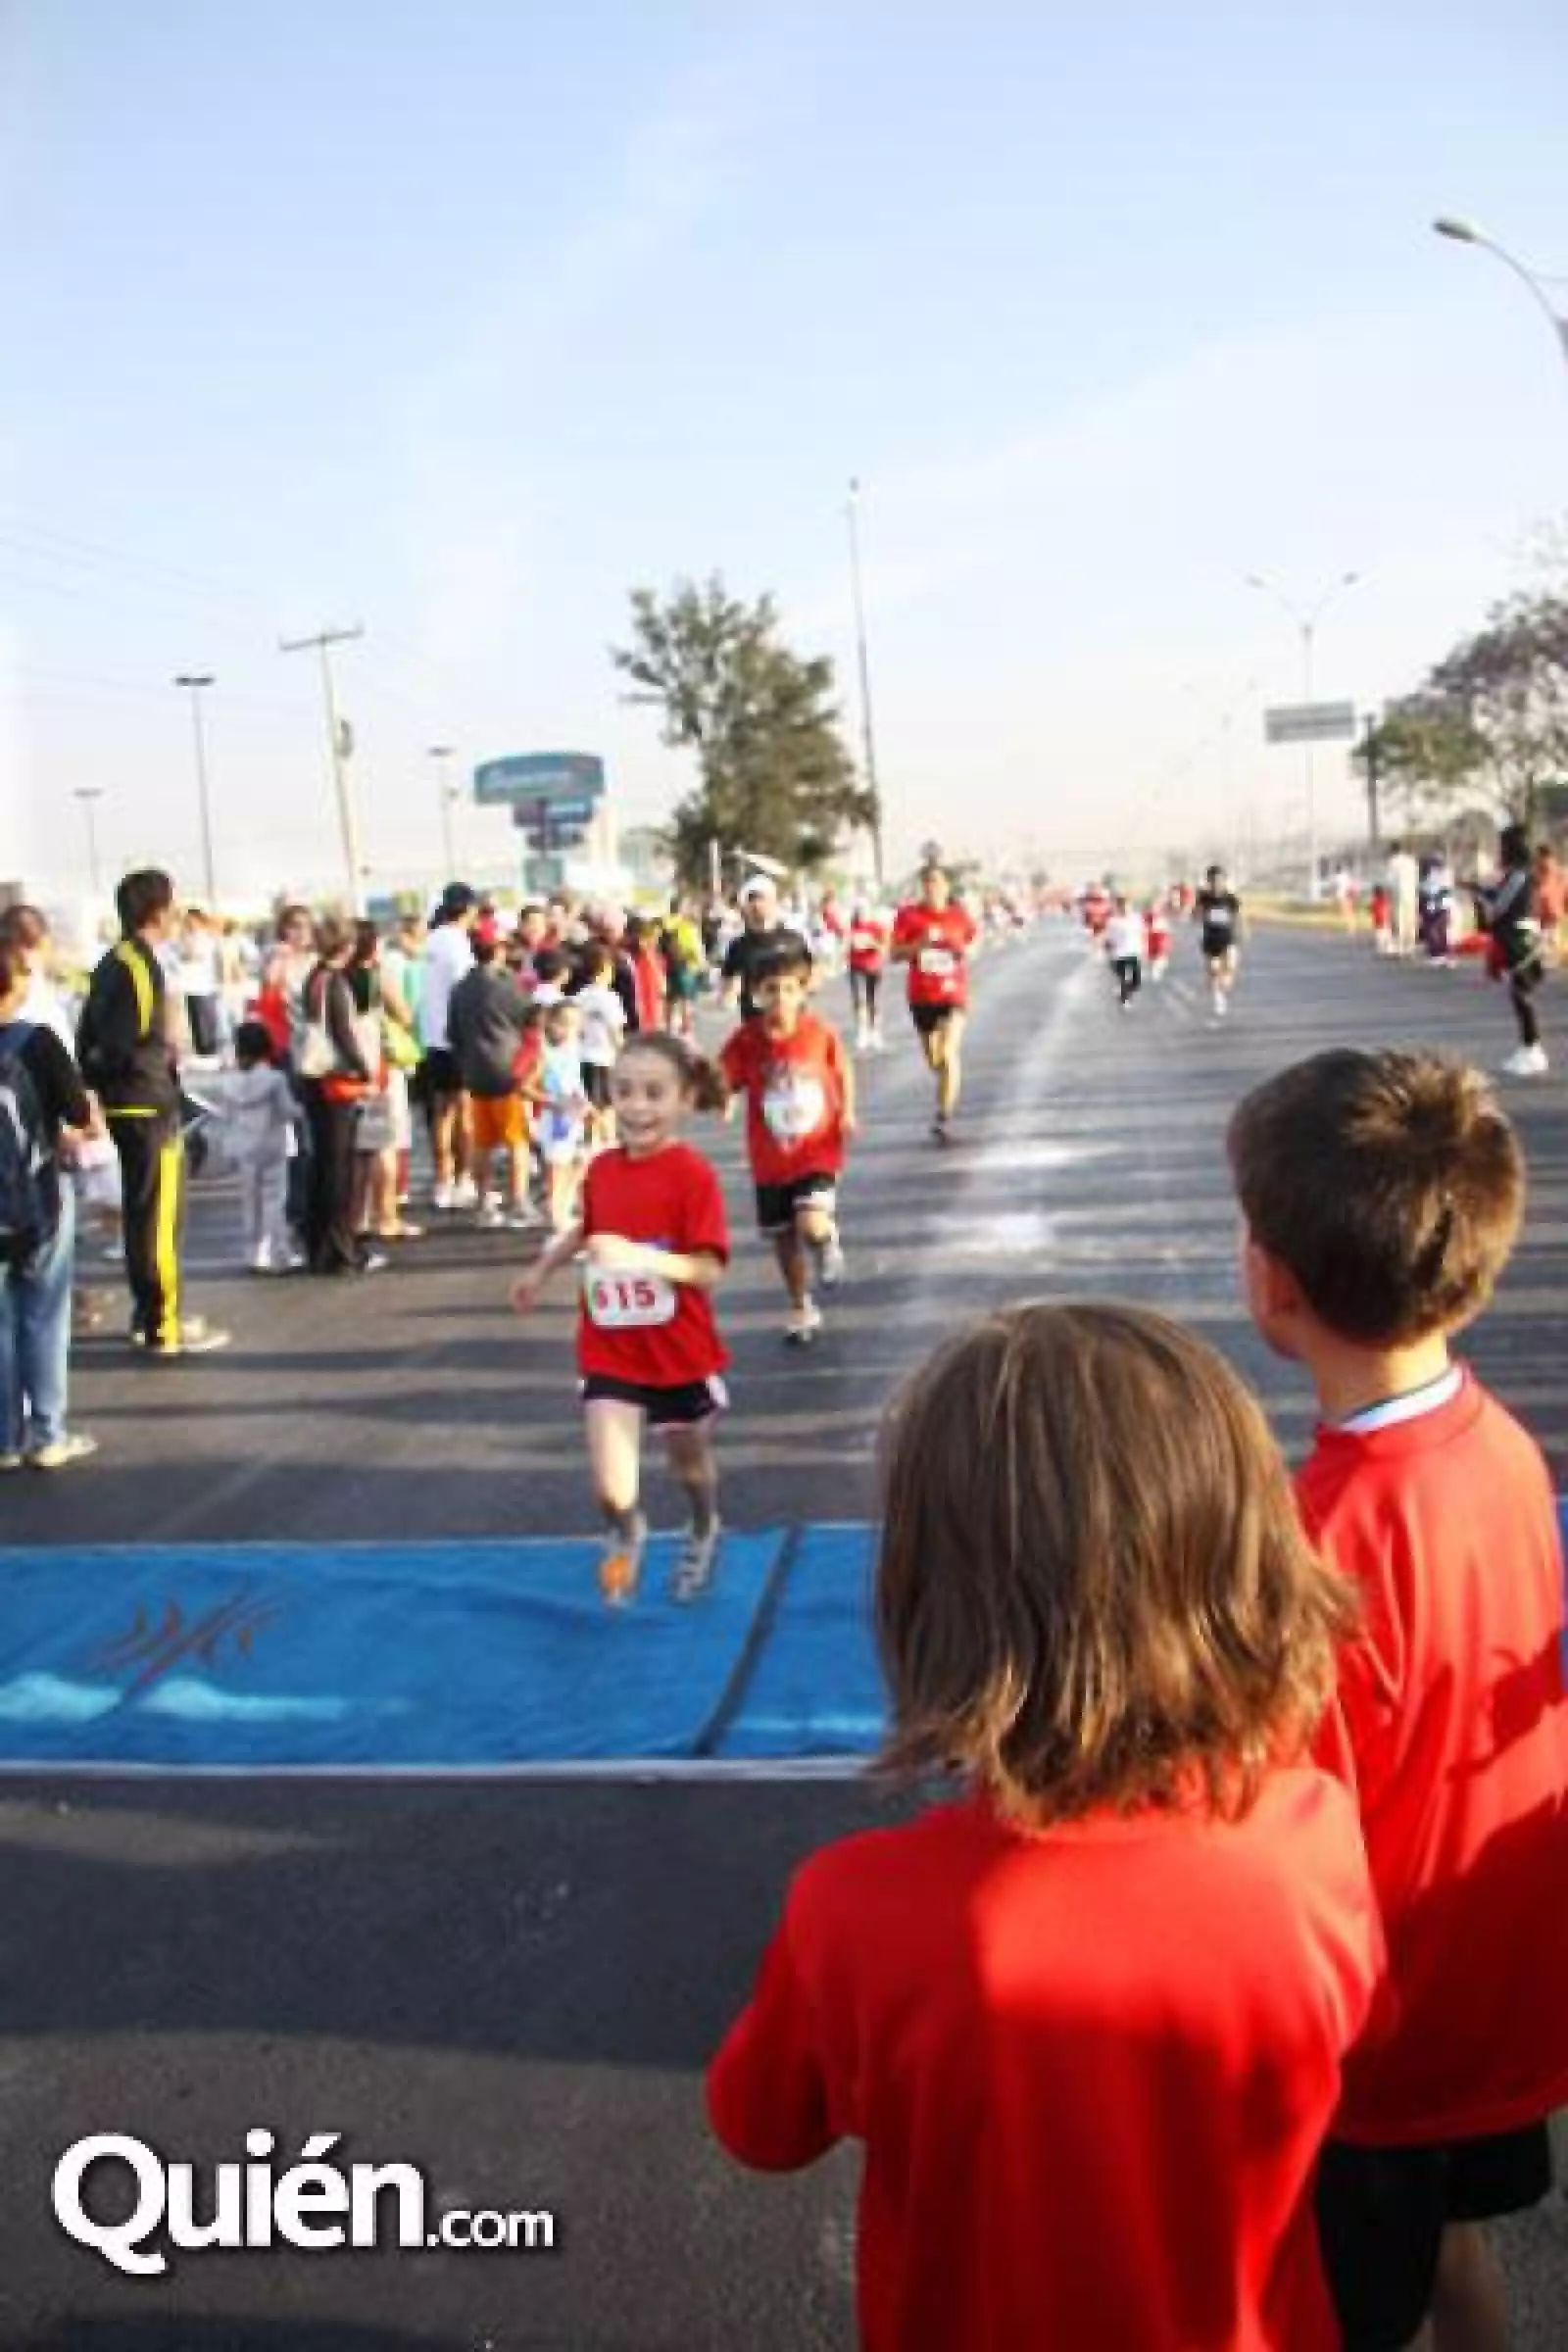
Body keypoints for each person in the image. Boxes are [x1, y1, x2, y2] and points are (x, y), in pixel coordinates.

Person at [708, 1301, 1382, 2352]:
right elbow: (1346, 2036)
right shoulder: (1314, 1834)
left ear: (932, 1599)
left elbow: (759, 2126)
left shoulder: (858, 1908)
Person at [1228, 1049, 1568, 2352]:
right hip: (1501, 1979)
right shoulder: (1501, 1443)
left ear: (1275, 1278)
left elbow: (1282, 1825)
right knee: (1454, 2248)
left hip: (1383, 2038)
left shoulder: (1311, 1539)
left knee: (1343, 2303)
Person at [511, 1032, 729, 1606]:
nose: (637, 1106)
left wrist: (643, 1257)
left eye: (654, 1093)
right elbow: (589, 1227)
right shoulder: (603, 1169)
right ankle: (627, 1527)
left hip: (679, 1352)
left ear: (683, 1099)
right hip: (610, 1348)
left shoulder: (693, 1176)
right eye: (624, 1091)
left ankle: (704, 1526)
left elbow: (708, 1270)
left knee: (690, 1463)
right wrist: (542, 1269)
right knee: (612, 1482)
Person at [76, 869, 229, 1356]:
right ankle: (165, 1322)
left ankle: (150, 1313)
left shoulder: (110, 961)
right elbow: (123, 1042)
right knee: (161, 1217)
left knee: (143, 1214)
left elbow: (88, 1040)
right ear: (159, 912)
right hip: (147, 1104)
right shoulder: (140, 965)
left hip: (131, 1102)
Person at [719, 943, 855, 1348]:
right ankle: (800, 1304)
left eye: (789, 989)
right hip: (771, 1155)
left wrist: (847, 1112)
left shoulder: (819, 1033)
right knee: (783, 1239)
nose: (780, 999)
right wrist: (723, 1096)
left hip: (816, 1147)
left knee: (810, 1224)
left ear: (803, 991)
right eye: (771, 990)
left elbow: (842, 1070)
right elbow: (726, 1075)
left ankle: (826, 1241)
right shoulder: (746, 1040)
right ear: (756, 994)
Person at [0, 937, 102, 1468]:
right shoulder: (34, 1041)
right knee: (42, 1314)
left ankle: (4, 1438)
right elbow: (82, 1116)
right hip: (37, 1197)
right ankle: (47, 1434)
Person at [295, 915, 384, 1277]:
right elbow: (342, 1032)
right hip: (336, 1082)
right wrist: (364, 1068)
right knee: (338, 1170)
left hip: (315, 1083)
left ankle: (319, 1246)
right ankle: (341, 1249)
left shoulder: (313, 978)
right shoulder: (333, 982)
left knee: (323, 1166)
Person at [447, 919, 536, 1230]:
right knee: (516, 1141)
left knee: (483, 1141)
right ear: (498, 949)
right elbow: (529, 1023)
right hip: (508, 1071)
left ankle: (485, 1202)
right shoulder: (509, 985)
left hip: (475, 1071)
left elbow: (453, 1033)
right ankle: (520, 1201)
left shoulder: (461, 988)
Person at [891, 864, 977, 1142]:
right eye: (927, 883)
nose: (933, 888)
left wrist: (961, 950)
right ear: (922, 887)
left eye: (937, 882)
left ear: (946, 887)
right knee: (935, 1060)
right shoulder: (909, 916)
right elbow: (894, 954)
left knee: (950, 1052)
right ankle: (946, 1088)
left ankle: (943, 1116)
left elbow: (973, 943)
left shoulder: (959, 916)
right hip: (921, 996)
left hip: (953, 995)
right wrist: (920, 945)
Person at [223, 1020, 302, 1274]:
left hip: (244, 1146)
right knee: (274, 1200)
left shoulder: (230, 1083)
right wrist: (304, 1111)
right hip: (273, 1144)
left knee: (250, 1202)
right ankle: (279, 1253)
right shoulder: (275, 1079)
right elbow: (288, 1110)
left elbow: (228, 1117)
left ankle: (254, 1252)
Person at [1470, 824, 1547, 1077]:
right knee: (1519, 994)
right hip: (1520, 936)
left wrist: (1480, 895)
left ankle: (1532, 1050)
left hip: (1520, 939)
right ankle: (1529, 1048)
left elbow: (1500, 903)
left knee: (1521, 995)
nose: (1499, 850)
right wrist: (1477, 890)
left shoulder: (1518, 875)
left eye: (1502, 845)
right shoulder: (1520, 874)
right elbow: (1498, 898)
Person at [420, 882, 479, 1210]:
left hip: (432, 1037)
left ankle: (442, 1180)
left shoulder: (431, 940)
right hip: (455, 1038)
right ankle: (464, 1178)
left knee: (441, 1114)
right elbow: (462, 991)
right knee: (463, 1112)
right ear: (468, 909)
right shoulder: (457, 944)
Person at [720, 876, 811, 1023]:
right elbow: (727, 985)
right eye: (751, 900)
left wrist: (797, 991)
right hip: (754, 1022)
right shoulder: (738, 945)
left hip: (791, 1020)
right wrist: (730, 993)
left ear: (774, 901)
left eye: (761, 898)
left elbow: (811, 976)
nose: (756, 904)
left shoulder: (793, 940)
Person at [573, 946, 627, 1128]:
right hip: (604, 1058)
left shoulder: (579, 997)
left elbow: (577, 1030)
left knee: (590, 1108)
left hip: (582, 1057)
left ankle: (593, 1145)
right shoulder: (610, 998)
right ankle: (608, 1146)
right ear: (604, 970)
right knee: (608, 1109)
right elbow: (615, 1032)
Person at [1194, 862, 1243, 1017]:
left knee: (1229, 969)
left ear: (1224, 881)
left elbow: (1239, 914)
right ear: (1209, 881)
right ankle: (1218, 998)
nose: (1217, 883)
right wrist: (1198, 911)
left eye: (1220, 880)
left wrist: (1243, 930)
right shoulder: (1204, 897)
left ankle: (1223, 988)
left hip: (1228, 938)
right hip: (1211, 939)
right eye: (1213, 880)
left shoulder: (1230, 897)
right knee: (1214, 971)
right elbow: (1194, 915)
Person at [846, 901, 889, 1051]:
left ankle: (875, 1032)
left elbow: (884, 949)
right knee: (859, 999)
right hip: (855, 966)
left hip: (873, 966)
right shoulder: (851, 927)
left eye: (864, 911)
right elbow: (845, 944)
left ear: (870, 912)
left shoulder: (877, 927)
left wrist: (872, 943)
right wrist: (849, 944)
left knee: (874, 1000)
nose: (861, 914)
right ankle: (862, 1031)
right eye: (858, 911)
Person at [1102, 894, 1144, 1009]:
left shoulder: (1137, 919)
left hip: (1133, 953)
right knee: (1124, 978)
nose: (1126, 908)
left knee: (1136, 983)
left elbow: (1141, 934)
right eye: (1123, 906)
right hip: (1119, 955)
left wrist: (1144, 949)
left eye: (1128, 906)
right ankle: (1124, 999)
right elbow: (1108, 940)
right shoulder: (1113, 922)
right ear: (1118, 907)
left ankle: (1123, 992)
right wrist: (1109, 955)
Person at [1386, 840, 1420, 959]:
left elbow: (1390, 881)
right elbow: (1416, 877)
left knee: (1399, 920)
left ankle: (1400, 947)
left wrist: (1389, 894)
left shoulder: (1393, 862)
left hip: (1398, 894)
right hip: (1411, 893)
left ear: (1392, 850)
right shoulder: (1411, 861)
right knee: (1410, 919)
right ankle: (1410, 947)